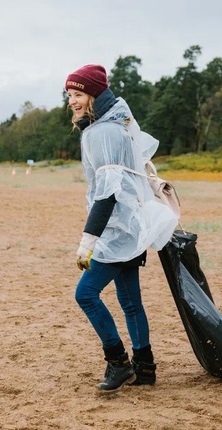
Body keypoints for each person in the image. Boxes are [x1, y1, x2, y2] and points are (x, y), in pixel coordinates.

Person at [66, 64, 178, 394]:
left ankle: (118, 362)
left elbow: (108, 192)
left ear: (94, 95)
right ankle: (145, 367)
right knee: (131, 302)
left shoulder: (101, 132)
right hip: (134, 226)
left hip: (117, 231)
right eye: (69, 95)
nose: (72, 101)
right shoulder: (119, 121)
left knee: (85, 294)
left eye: (78, 94)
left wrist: (89, 240)